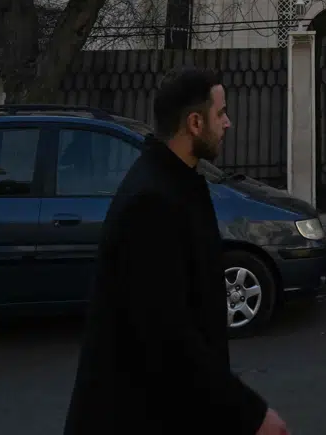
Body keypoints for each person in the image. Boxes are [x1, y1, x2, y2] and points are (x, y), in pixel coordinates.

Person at [63, 67, 290, 435]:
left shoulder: (175, 183)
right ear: (195, 122)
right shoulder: (152, 202)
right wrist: (251, 415)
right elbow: (167, 337)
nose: (228, 123)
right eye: (221, 113)